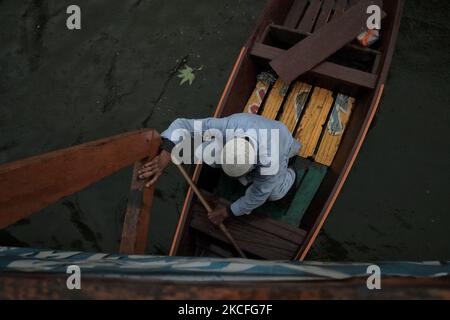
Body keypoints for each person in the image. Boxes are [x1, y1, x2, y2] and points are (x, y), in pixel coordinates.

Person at [138, 113, 300, 226]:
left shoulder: (270, 163)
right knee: (207, 154)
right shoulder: (228, 127)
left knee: (273, 193)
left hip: (284, 144)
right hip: (251, 129)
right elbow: (182, 124)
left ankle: (289, 175)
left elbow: (258, 195)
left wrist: (228, 211)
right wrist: (167, 150)